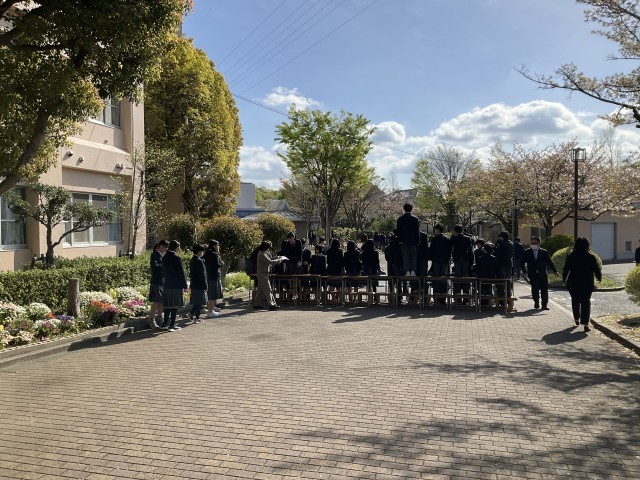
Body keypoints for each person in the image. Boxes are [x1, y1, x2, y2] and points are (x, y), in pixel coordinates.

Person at [563, 236, 602, 332]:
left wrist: (564, 279)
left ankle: (576, 318)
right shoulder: (591, 257)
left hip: (573, 282)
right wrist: (599, 278)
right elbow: (596, 269)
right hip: (587, 282)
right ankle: (585, 324)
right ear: (587, 245)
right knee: (586, 302)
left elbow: (566, 269)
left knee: (575, 301)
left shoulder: (570, 256)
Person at [522, 236, 558, 310]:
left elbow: (549, 262)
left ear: (538, 243)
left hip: (542, 274)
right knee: (535, 289)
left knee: (544, 290)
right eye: (531, 243)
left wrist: (555, 271)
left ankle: (544, 305)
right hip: (533, 274)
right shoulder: (527, 252)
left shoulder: (544, 252)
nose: (533, 245)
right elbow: (522, 262)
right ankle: (536, 301)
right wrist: (524, 271)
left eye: (535, 243)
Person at [161, 240, 188, 332]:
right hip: (176, 285)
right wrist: (184, 285)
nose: (179, 249)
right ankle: (172, 325)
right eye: (179, 247)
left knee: (168, 305)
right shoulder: (177, 258)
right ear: (176, 247)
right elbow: (181, 273)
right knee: (174, 306)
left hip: (167, 284)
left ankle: (165, 324)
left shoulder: (164, 257)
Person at [252, 241, 285, 311]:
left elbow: (270, 259)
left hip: (264, 273)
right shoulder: (262, 254)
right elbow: (270, 261)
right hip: (262, 274)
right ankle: (271, 304)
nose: (269, 249)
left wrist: (278, 257)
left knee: (260, 290)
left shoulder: (264, 253)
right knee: (268, 289)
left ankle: (257, 304)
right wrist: (279, 261)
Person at [148, 239, 169, 328]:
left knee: (161, 301)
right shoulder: (154, 255)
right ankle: (151, 319)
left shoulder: (164, 255)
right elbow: (154, 267)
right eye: (165, 247)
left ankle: (160, 317)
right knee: (156, 301)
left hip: (163, 281)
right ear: (161, 246)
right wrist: (164, 265)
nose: (166, 249)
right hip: (157, 281)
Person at [451, 224, 474, 303]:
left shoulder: (454, 238)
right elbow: (470, 251)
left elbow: (451, 248)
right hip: (465, 259)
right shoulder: (467, 238)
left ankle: (457, 298)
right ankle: (466, 297)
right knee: (465, 277)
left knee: (457, 277)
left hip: (457, 259)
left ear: (455, 231)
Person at [396, 203, 421, 276]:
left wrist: (400, 240)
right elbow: (417, 232)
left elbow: (399, 231)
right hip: (413, 241)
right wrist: (418, 241)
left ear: (404, 209)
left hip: (404, 241)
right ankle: (413, 271)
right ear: (411, 209)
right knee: (413, 257)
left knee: (405, 257)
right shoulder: (415, 219)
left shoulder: (400, 219)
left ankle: (407, 271)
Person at [429, 223, 451, 305]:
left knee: (436, 278)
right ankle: (443, 298)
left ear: (437, 230)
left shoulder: (434, 239)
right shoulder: (447, 239)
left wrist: (432, 259)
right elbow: (449, 251)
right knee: (444, 278)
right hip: (445, 261)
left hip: (436, 261)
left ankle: (437, 298)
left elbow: (431, 250)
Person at [494, 231, 515, 308]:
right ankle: (508, 298)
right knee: (508, 281)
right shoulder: (511, 243)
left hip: (501, 265)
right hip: (509, 265)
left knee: (501, 282)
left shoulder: (501, 243)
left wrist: (497, 245)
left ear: (501, 237)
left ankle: (502, 300)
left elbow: (497, 252)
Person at [188, 244, 208, 323]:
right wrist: (205, 285)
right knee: (199, 302)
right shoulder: (199, 261)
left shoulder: (192, 259)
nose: (203, 253)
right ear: (199, 251)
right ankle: (195, 316)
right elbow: (202, 275)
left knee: (197, 302)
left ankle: (193, 315)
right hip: (199, 285)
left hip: (194, 284)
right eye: (202, 251)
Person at [203, 239, 223, 318]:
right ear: (214, 246)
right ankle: (210, 312)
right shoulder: (214, 254)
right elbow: (217, 265)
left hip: (208, 276)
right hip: (214, 276)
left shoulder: (206, 254)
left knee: (211, 294)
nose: (218, 247)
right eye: (217, 245)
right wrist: (222, 263)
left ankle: (211, 309)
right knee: (212, 295)